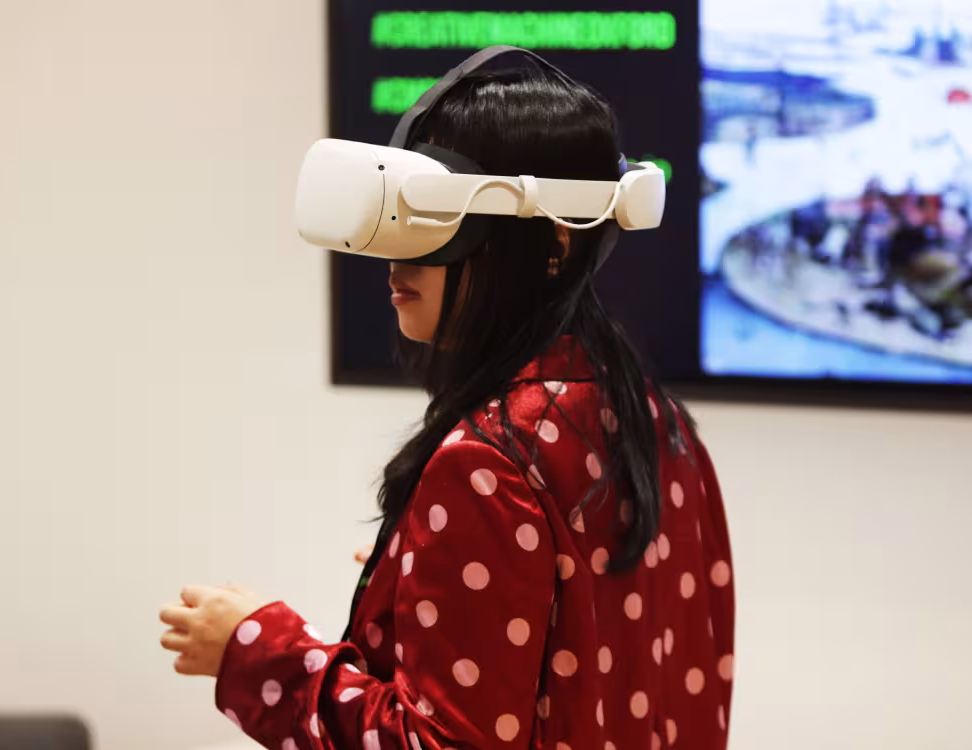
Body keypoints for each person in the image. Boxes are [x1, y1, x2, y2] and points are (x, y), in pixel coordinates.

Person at [159, 62, 735, 750]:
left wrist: (255, 652)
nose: (397, 255)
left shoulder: (491, 464)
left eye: (435, 212)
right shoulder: (660, 424)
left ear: (554, 241)